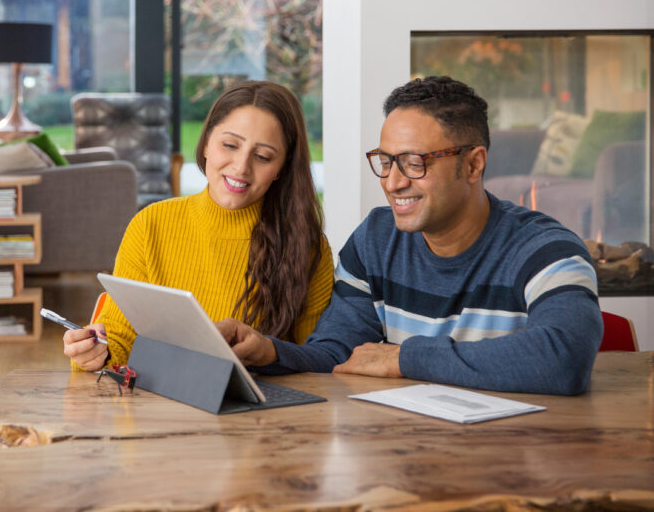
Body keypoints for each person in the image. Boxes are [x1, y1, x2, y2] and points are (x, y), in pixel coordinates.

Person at [217, 76, 603, 395]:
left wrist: (403, 357)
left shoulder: (547, 250)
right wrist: (267, 350)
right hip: (404, 459)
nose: (393, 182)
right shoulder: (376, 239)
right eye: (385, 161)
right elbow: (339, 353)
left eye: (414, 163)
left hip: (516, 468)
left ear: (473, 165)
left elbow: (564, 358)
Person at [64, 81, 335, 371]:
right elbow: (119, 337)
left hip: (257, 411)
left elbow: (316, 359)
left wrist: (270, 352)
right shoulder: (150, 225)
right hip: (159, 405)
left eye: (263, 156)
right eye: (230, 145)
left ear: (282, 166)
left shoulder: (307, 247)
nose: (241, 167)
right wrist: (96, 352)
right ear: (206, 143)